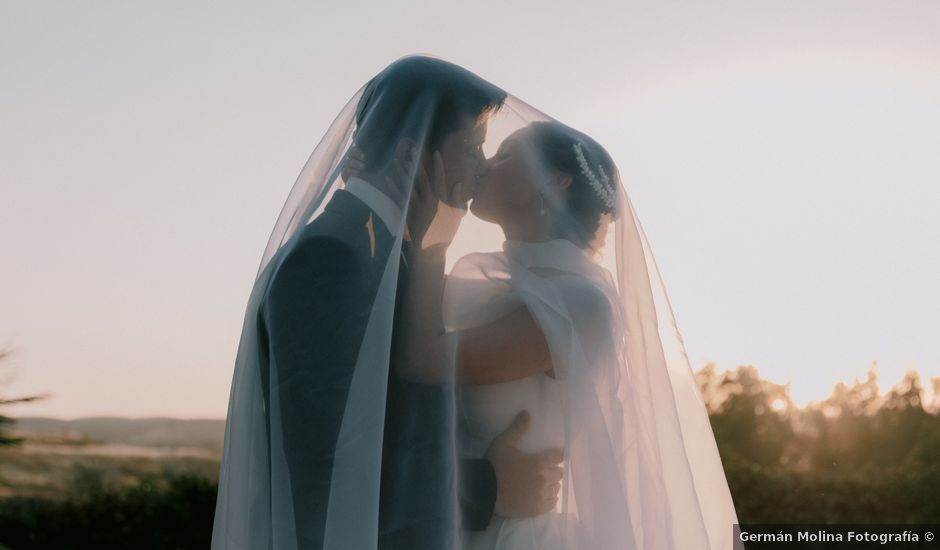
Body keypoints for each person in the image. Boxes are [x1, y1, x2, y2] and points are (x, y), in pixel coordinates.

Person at [212, 56, 565, 550]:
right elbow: (324, 460)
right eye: (472, 148)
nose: (483, 167)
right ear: (414, 153)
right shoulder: (333, 256)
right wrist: (488, 487)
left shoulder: (385, 247)